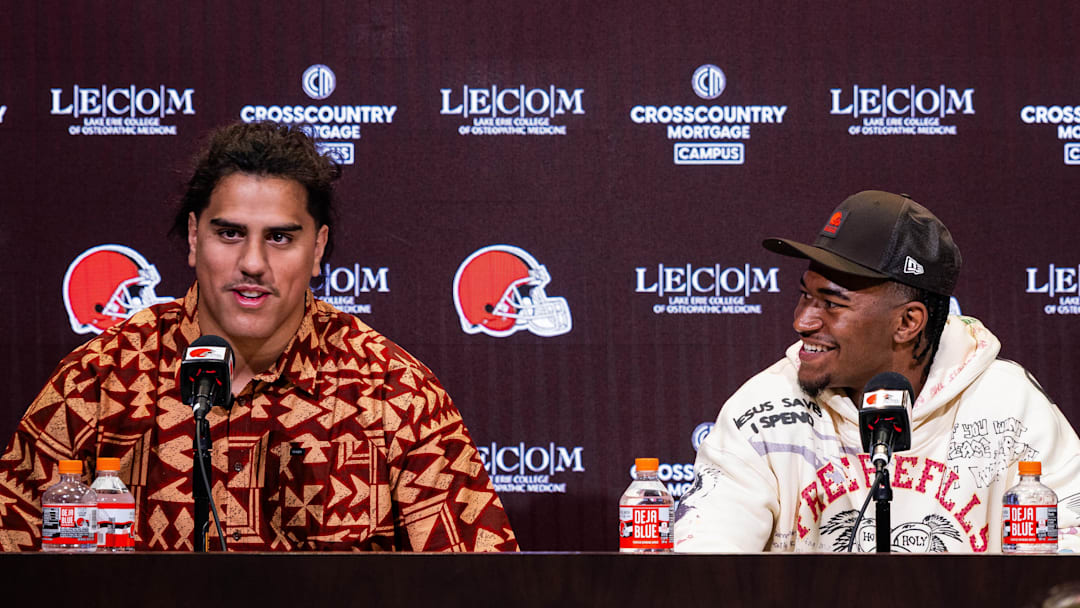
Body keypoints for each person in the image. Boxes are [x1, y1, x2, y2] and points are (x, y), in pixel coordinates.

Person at [0, 122, 518, 552]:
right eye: (229, 233)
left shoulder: (393, 394)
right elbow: (13, 552)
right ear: (192, 238)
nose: (252, 263)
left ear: (317, 250)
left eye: (279, 237)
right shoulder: (101, 379)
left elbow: (483, 584)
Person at [674, 190, 1080, 553]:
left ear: (907, 323)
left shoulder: (1012, 407)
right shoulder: (762, 408)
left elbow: (1068, 562)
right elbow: (707, 566)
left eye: (832, 303)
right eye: (805, 296)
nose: (803, 322)